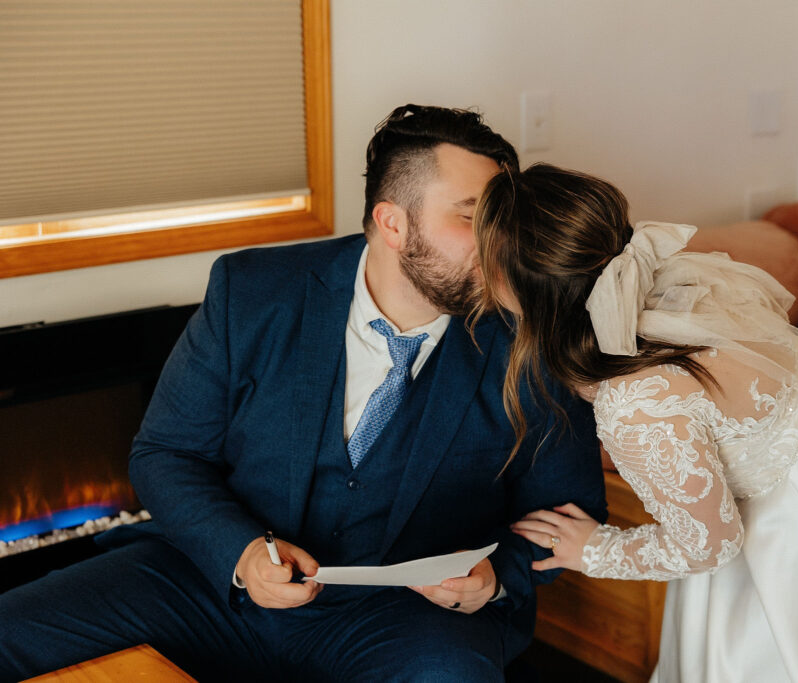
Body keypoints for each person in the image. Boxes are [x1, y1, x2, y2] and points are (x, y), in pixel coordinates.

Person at [0, 107, 606, 682]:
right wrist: (239, 553)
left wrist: (495, 577)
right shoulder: (252, 291)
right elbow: (165, 453)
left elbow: (565, 511)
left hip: (401, 618)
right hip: (209, 583)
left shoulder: (530, 333)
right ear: (393, 222)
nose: (502, 245)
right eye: (474, 218)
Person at [472, 163, 798, 682]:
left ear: (525, 291)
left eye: (487, 262)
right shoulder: (670, 281)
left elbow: (709, 544)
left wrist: (597, 549)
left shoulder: (636, 402)